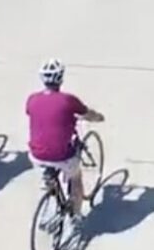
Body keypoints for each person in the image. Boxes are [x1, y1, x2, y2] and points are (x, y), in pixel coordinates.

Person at [26, 59, 105, 223]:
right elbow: (87, 113)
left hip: (35, 154)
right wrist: (98, 117)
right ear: (61, 79)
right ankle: (76, 216)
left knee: (48, 163)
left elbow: (32, 113)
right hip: (61, 155)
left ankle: (50, 191)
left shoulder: (32, 99)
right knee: (75, 177)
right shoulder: (68, 100)